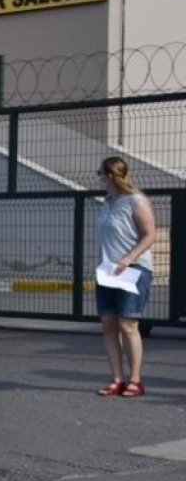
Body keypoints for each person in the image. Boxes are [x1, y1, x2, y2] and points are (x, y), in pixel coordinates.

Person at [94, 156, 156, 398]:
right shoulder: (107, 202)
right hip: (109, 271)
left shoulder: (135, 201)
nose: (97, 176)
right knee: (109, 324)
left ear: (110, 175)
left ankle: (135, 380)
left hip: (134, 269)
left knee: (128, 325)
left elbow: (150, 235)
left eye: (99, 172)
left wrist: (129, 258)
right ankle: (117, 379)